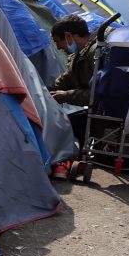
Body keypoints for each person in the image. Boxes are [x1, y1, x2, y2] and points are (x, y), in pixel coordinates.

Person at [48, 15, 98, 180]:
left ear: (69, 36)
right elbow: (66, 79)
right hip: (97, 109)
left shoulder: (96, 53)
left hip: (106, 111)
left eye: (58, 41)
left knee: (67, 123)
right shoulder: (80, 54)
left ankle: (70, 159)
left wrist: (66, 96)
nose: (58, 47)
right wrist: (44, 93)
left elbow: (99, 95)